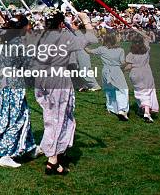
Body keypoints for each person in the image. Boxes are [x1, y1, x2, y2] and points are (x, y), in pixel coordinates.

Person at [0, 15, 39, 168]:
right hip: (12, 85)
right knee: (14, 118)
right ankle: (6, 154)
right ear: (24, 27)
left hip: (3, 83)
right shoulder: (18, 43)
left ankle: (29, 147)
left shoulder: (6, 41)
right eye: (28, 26)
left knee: (23, 114)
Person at [34, 10, 90, 175]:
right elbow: (88, 40)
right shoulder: (65, 37)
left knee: (51, 116)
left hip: (42, 79)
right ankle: (53, 159)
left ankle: (55, 154)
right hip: (58, 79)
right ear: (60, 23)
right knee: (60, 117)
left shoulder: (40, 36)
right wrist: (85, 21)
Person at [86, 32, 130, 121]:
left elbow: (89, 51)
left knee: (109, 90)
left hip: (105, 71)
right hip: (116, 71)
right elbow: (122, 63)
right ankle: (122, 110)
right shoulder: (120, 50)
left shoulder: (101, 49)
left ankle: (111, 108)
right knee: (122, 90)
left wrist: (82, 45)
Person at [125, 35, 158, 123]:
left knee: (140, 92)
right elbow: (148, 38)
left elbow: (129, 66)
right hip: (146, 73)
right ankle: (146, 112)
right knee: (147, 91)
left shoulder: (130, 54)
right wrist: (142, 34)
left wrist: (121, 70)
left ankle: (143, 109)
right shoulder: (146, 50)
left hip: (135, 74)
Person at [71, 23, 102, 92]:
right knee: (74, 69)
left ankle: (94, 85)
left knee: (84, 69)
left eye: (75, 25)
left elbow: (94, 40)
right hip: (74, 53)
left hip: (81, 52)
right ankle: (81, 85)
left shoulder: (81, 33)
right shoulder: (77, 33)